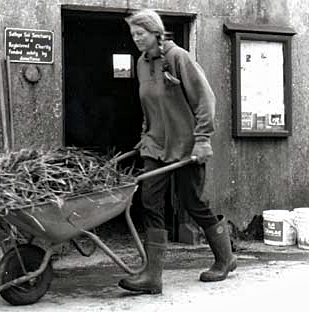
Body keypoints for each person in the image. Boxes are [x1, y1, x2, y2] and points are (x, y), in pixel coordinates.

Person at [119, 9, 237, 294]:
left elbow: (205, 99)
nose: (135, 39)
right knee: (149, 201)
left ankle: (225, 257)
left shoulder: (177, 57)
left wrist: (202, 139)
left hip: (186, 147)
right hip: (155, 146)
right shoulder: (141, 64)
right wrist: (145, 136)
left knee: (191, 202)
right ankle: (152, 276)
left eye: (140, 34)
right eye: (133, 34)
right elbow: (147, 105)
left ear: (156, 33)